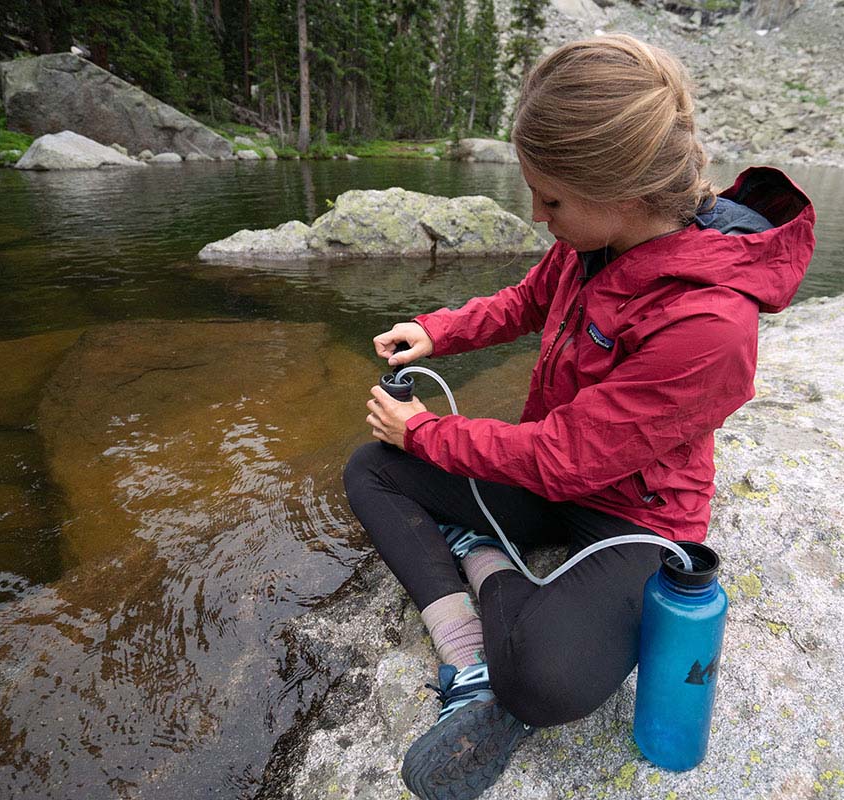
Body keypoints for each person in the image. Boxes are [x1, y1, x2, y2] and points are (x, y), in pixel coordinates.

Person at [343, 33, 815, 800]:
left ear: (621, 191)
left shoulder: (712, 326)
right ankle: (468, 655)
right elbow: (529, 299)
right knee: (373, 468)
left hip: (635, 522)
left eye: (550, 198)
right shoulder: (596, 238)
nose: (536, 213)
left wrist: (428, 431)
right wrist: (442, 330)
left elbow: (569, 455)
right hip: (552, 481)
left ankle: (483, 561)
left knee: (545, 680)